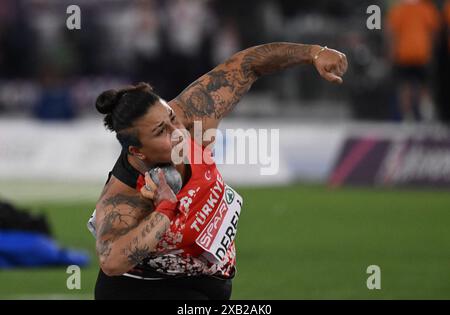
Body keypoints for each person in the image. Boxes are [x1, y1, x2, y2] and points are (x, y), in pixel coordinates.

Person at [92, 42, 348, 300]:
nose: (177, 132)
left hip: (208, 282)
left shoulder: (192, 118)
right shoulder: (124, 195)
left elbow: (246, 65)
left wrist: (314, 53)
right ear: (137, 152)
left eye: (171, 117)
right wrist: (165, 210)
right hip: (143, 289)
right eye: (161, 132)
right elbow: (112, 262)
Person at [387, 0, 441, 122]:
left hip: (403, 53)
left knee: (405, 87)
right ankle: (426, 115)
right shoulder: (426, 8)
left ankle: (408, 117)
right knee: (424, 86)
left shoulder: (398, 9)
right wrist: (431, 50)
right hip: (422, 53)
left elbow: (391, 33)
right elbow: (434, 32)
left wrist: (391, 52)